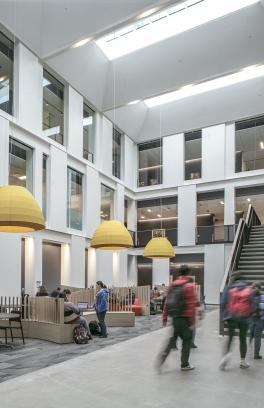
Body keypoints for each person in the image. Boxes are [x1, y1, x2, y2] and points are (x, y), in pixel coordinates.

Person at [157, 265, 198, 371]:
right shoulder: (190, 285)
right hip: (185, 318)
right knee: (187, 340)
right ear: (188, 273)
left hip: (175, 317)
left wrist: (164, 317)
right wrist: (193, 321)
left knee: (173, 339)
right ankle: (184, 364)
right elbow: (192, 304)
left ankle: (164, 354)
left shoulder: (173, 284)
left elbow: (166, 302)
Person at [219, 272, 254, 370]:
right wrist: (250, 317)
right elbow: (252, 305)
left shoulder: (229, 288)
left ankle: (225, 357)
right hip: (244, 317)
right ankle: (243, 361)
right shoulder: (249, 289)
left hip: (231, 316)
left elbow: (223, 304)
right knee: (242, 339)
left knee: (230, 337)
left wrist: (224, 317)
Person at [249, 282, 264, 359]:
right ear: (260, 288)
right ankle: (256, 354)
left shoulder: (250, 297)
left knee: (251, 333)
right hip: (260, 319)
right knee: (257, 338)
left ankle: (248, 348)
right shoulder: (262, 297)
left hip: (251, 318)